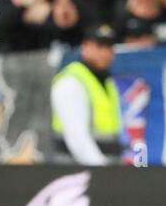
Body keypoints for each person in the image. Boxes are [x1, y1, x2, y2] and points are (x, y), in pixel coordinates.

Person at [51, 24, 123, 165]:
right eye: (100, 46)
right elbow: (77, 137)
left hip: (105, 171)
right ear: (85, 46)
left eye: (110, 47)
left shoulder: (107, 82)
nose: (106, 53)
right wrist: (102, 171)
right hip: (77, 174)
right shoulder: (71, 82)